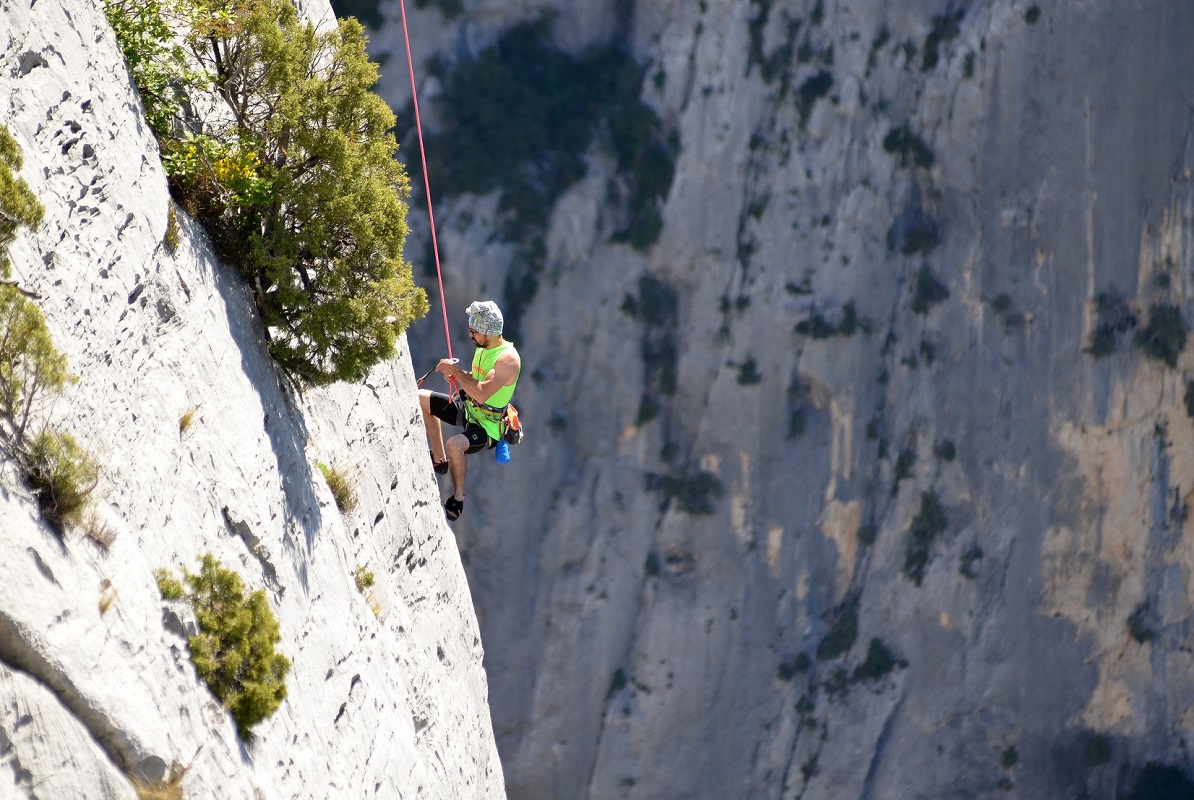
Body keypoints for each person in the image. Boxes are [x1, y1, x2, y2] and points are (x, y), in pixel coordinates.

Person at [419, 300, 521, 521]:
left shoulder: (508, 360)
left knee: (454, 445)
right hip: (469, 410)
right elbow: (475, 380)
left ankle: (458, 498)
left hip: (488, 427)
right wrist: (458, 374)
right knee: (419, 399)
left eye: (474, 331)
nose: (470, 336)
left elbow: (483, 392)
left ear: (487, 332)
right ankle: (439, 460)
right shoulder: (484, 348)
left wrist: (455, 370)